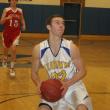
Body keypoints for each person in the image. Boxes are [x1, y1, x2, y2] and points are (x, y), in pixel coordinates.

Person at [31, 14, 93, 110]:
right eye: (57, 23)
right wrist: (38, 84)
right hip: (54, 88)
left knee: (82, 108)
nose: (61, 25)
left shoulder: (71, 47)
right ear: (49, 27)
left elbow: (83, 71)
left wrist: (67, 84)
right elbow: (34, 73)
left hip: (73, 86)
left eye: (63, 24)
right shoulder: (38, 49)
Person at [0, 0, 26, 77]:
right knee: (6, 49)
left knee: (14, 49)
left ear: (17, 1)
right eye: (12, 0)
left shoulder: (20, 10)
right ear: (10, 1)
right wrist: (7, 18)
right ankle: (5, 59)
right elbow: (1, 22)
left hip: (16, 33)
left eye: (15, 0)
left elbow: (22, 19)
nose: (14, 1)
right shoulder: (6, 10)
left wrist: (24, 25)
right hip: (7, 33)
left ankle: (12, 68)